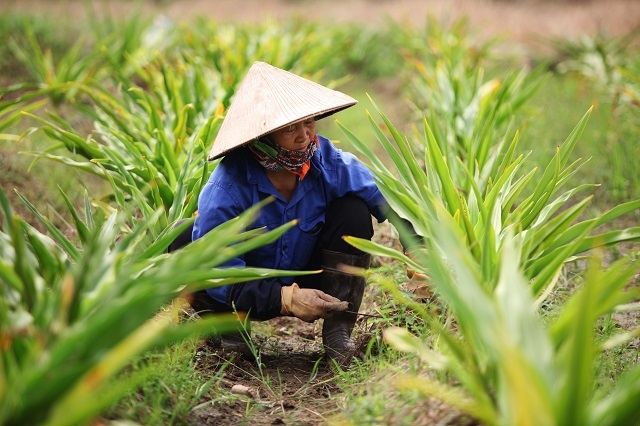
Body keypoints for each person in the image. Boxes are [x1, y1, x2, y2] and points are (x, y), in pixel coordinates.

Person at [177, 61, 396, 366]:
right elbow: (221, 276)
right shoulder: (227, 189)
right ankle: (228, 327)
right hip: (246, 289)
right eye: (290, 128)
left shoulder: (325, 161)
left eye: (308, 122)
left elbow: (389, 199)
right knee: (183, 239)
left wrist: (420, 246)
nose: (304, 135)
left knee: (353, 211)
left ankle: (338, 331)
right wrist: (288, 299)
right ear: (261, 138)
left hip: (310, 274)